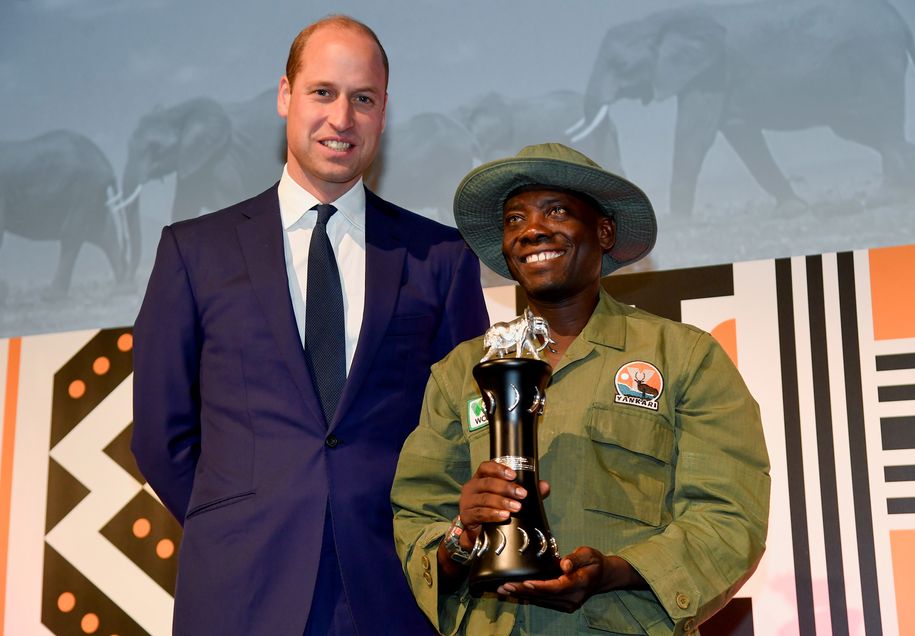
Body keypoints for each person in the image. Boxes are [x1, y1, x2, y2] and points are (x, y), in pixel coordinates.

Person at [132, 15, 488, 635]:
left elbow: (466, 424)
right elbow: (161, 436)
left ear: (384, 113)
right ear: (285, 96)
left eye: (363, 99)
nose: (342, 118)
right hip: (238, 591)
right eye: (323, 91)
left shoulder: (442, 258)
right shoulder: (194, 251)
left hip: (394, 590)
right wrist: (239, 522)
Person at [391, 143, 770, 635]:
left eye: (557, 211)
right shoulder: (462, 371)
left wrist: (615, 572)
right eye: (514, 219)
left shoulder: (684, 357)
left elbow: (729, 517)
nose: (531, 230)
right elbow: (417, 514)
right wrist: (463, 536)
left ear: (604, 231)